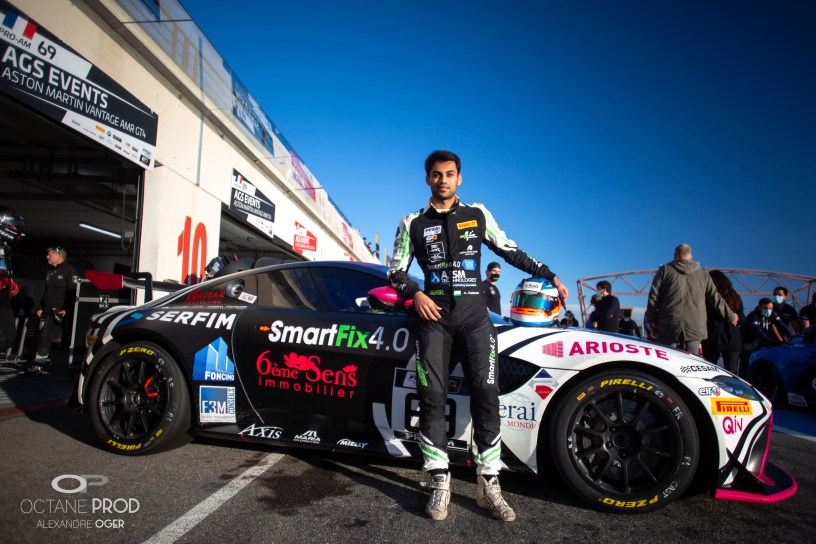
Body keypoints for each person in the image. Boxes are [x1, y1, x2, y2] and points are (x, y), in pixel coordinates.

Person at [388, 150, 568, 522]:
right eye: (436, 174)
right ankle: (440, 482)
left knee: (486, 396)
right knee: (432, 398)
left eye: (449, 174)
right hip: (434, 320)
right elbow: (395, 272)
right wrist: (415, 294)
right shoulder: (412, 222)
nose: (443, 180)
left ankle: (489, 486)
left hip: (475, 321)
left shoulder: (477, 214)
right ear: (427, 179)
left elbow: (509, 249)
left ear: (459, 178)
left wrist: (549, 274)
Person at [644, 244, 737, 355]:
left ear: (675, 256)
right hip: (695, 326)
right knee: (691, 361)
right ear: (691, 257)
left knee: (666, 358)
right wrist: (731, 316)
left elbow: (653, 297)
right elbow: (715, 298)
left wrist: (652, 319)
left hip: (669, 324)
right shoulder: (703, 273)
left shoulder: (664, 270)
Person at [30, 246, 77, 375]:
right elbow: (47, 292)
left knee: (65, 339)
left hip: (62, 313)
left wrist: (68, 309)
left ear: (59, 255)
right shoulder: (49, 272)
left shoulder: (69, 270)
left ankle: (64, 365)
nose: (47, 257)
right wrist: (41, 307)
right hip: (47, 310)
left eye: (49, 255)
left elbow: (74, 292)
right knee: (43, 336)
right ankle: (39, 364)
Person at [701, 270, 744, 374]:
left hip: (712, 338)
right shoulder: (735, 297)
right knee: (731, 374)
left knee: (710, 373)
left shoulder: (706, 297)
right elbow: (742, 319)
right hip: (733, 339)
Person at [0, 207, 24, 360]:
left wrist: (10, 282)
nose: (16, 231)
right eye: (14, 227)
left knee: (8, 337)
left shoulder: (5, 247)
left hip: (3, 295)